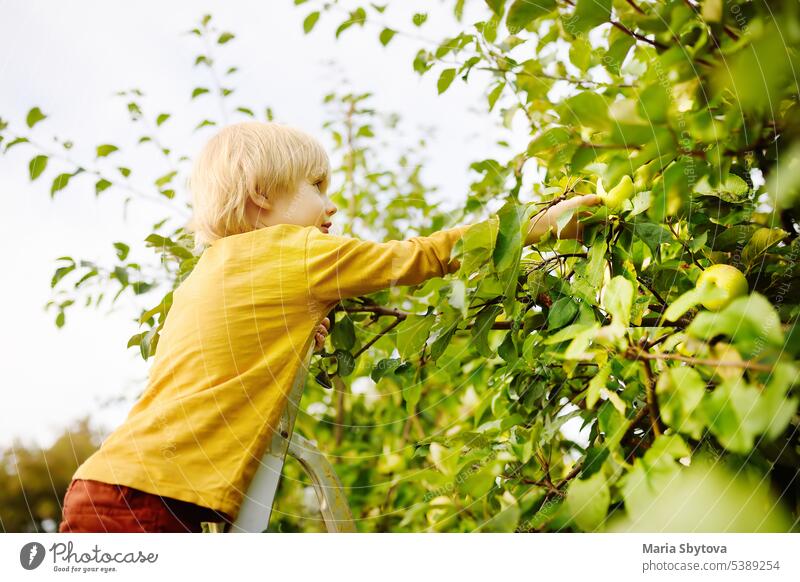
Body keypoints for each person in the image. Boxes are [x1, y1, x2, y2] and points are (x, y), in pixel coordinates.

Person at [58, 121, 599, 533]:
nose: (331, 202)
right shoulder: (294, 250)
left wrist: (300, 321)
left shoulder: (212, 270)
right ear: (260, 193)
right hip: (142, 501)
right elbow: (415, 257)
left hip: (116, 486)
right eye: (316, 184)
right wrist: (539, 225)